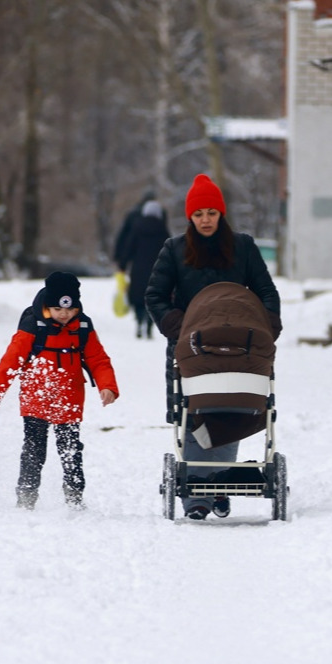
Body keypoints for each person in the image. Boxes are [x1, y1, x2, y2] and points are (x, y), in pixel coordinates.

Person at [145, 174, 281, 521]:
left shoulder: (243, 247)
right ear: (189, 217)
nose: (205, 220)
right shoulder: (174, 250)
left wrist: (266, 327)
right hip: (192, 347)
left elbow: (266, 291)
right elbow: (155, 296)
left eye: (211, 213)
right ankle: (198, 496)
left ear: (221, 214)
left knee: (233, 407)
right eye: (198, 214)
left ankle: (218, 485)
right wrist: (181, 329)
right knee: (195, 412)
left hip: (239, 345)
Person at [0, 272, 119, 510]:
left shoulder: (82, 326)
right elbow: (8, 365)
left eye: (70, 309)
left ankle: (74, 496)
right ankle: (26, 496)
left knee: (71, 452)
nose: (64, 314)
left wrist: (107, 387)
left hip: (69, 399)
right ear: (47, 306)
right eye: (57, 309)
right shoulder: (33, 326)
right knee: (34, 450)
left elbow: (98, 359)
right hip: (36, 398)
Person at [119, 199, 169, 339]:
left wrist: (123, 264)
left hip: (138, 268)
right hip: (156, 269)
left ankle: (139, 321)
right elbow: (168, 249)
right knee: (153, 296)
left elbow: (129, 247)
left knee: (137, 296)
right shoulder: (162, 229)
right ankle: (149, 325)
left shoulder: (137, 227)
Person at [112, 187, 155, 272]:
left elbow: (124, 235)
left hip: (136, 253)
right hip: (153, 254)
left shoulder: (133, 213)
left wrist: (120, 257)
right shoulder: (158, 214)